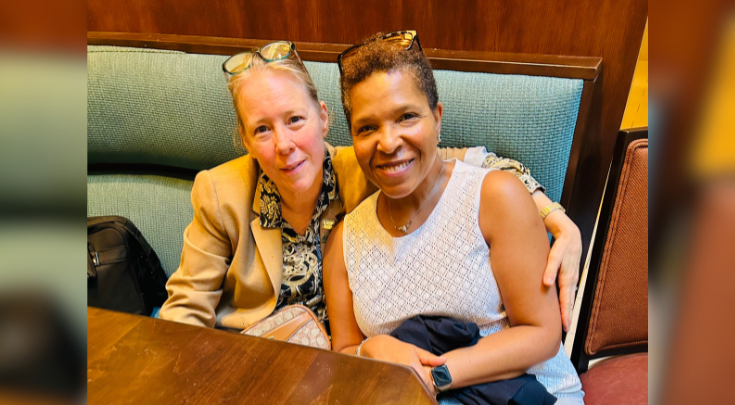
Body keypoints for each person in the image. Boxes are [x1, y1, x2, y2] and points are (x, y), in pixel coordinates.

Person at [159, 40, 582, 335]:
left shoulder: (368, 165)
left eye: (295, 120)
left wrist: (557, 218)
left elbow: (472, 162)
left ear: (323, 118)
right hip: (251, 360)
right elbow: (184, 312)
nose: (285, 146)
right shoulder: (219, 191)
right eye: (262, 130)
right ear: (246, 141)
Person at [324, 32, 584, 404]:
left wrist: (437, 375)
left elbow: (541, 334)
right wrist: (372, 349)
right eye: (367, 128)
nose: (388, 142)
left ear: (437, 118)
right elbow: (346, 351)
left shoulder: (495, 197)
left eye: (406, 117)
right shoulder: (344, 240)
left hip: (533, 394)